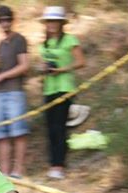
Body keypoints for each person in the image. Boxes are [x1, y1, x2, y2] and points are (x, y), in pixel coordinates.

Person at [38, 6, 85, 180]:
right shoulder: (44, 44)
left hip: (64, 88)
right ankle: (53, 164)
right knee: (50, 127)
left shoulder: (70, 40)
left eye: (55, 21)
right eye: (49, 21)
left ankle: (59, 165)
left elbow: (81, 62)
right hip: (49, 88)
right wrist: (43, 69)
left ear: (61, 23)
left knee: (59, 126)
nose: (52, 24)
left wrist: (62, 70)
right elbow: (45, 65)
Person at [0, 5, 30, 179]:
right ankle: (4, 172)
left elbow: (25, 66)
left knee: (18, 131)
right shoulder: (0, 44)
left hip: (15, 92)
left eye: (7, 19)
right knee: (0, 132)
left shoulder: (19, 39)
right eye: (1, 20)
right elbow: (0, 69)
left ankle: (18, 170)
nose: (4, 23)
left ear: (12, 20)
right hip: (0, 92)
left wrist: (1, 75)